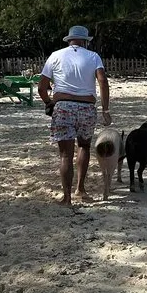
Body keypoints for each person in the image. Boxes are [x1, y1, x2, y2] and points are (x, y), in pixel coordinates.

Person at [38, 25, 110, 205]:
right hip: (87, 107)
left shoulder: (55, 55)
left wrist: (49, 103)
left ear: (69, 40)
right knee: (84, 146)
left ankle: (67, 198)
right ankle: (81, 189)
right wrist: (105, 110)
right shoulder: (93, 56)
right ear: (85, 41)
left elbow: (41, 87)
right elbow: (102, 81)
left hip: (63, 106)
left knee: (65, 155)